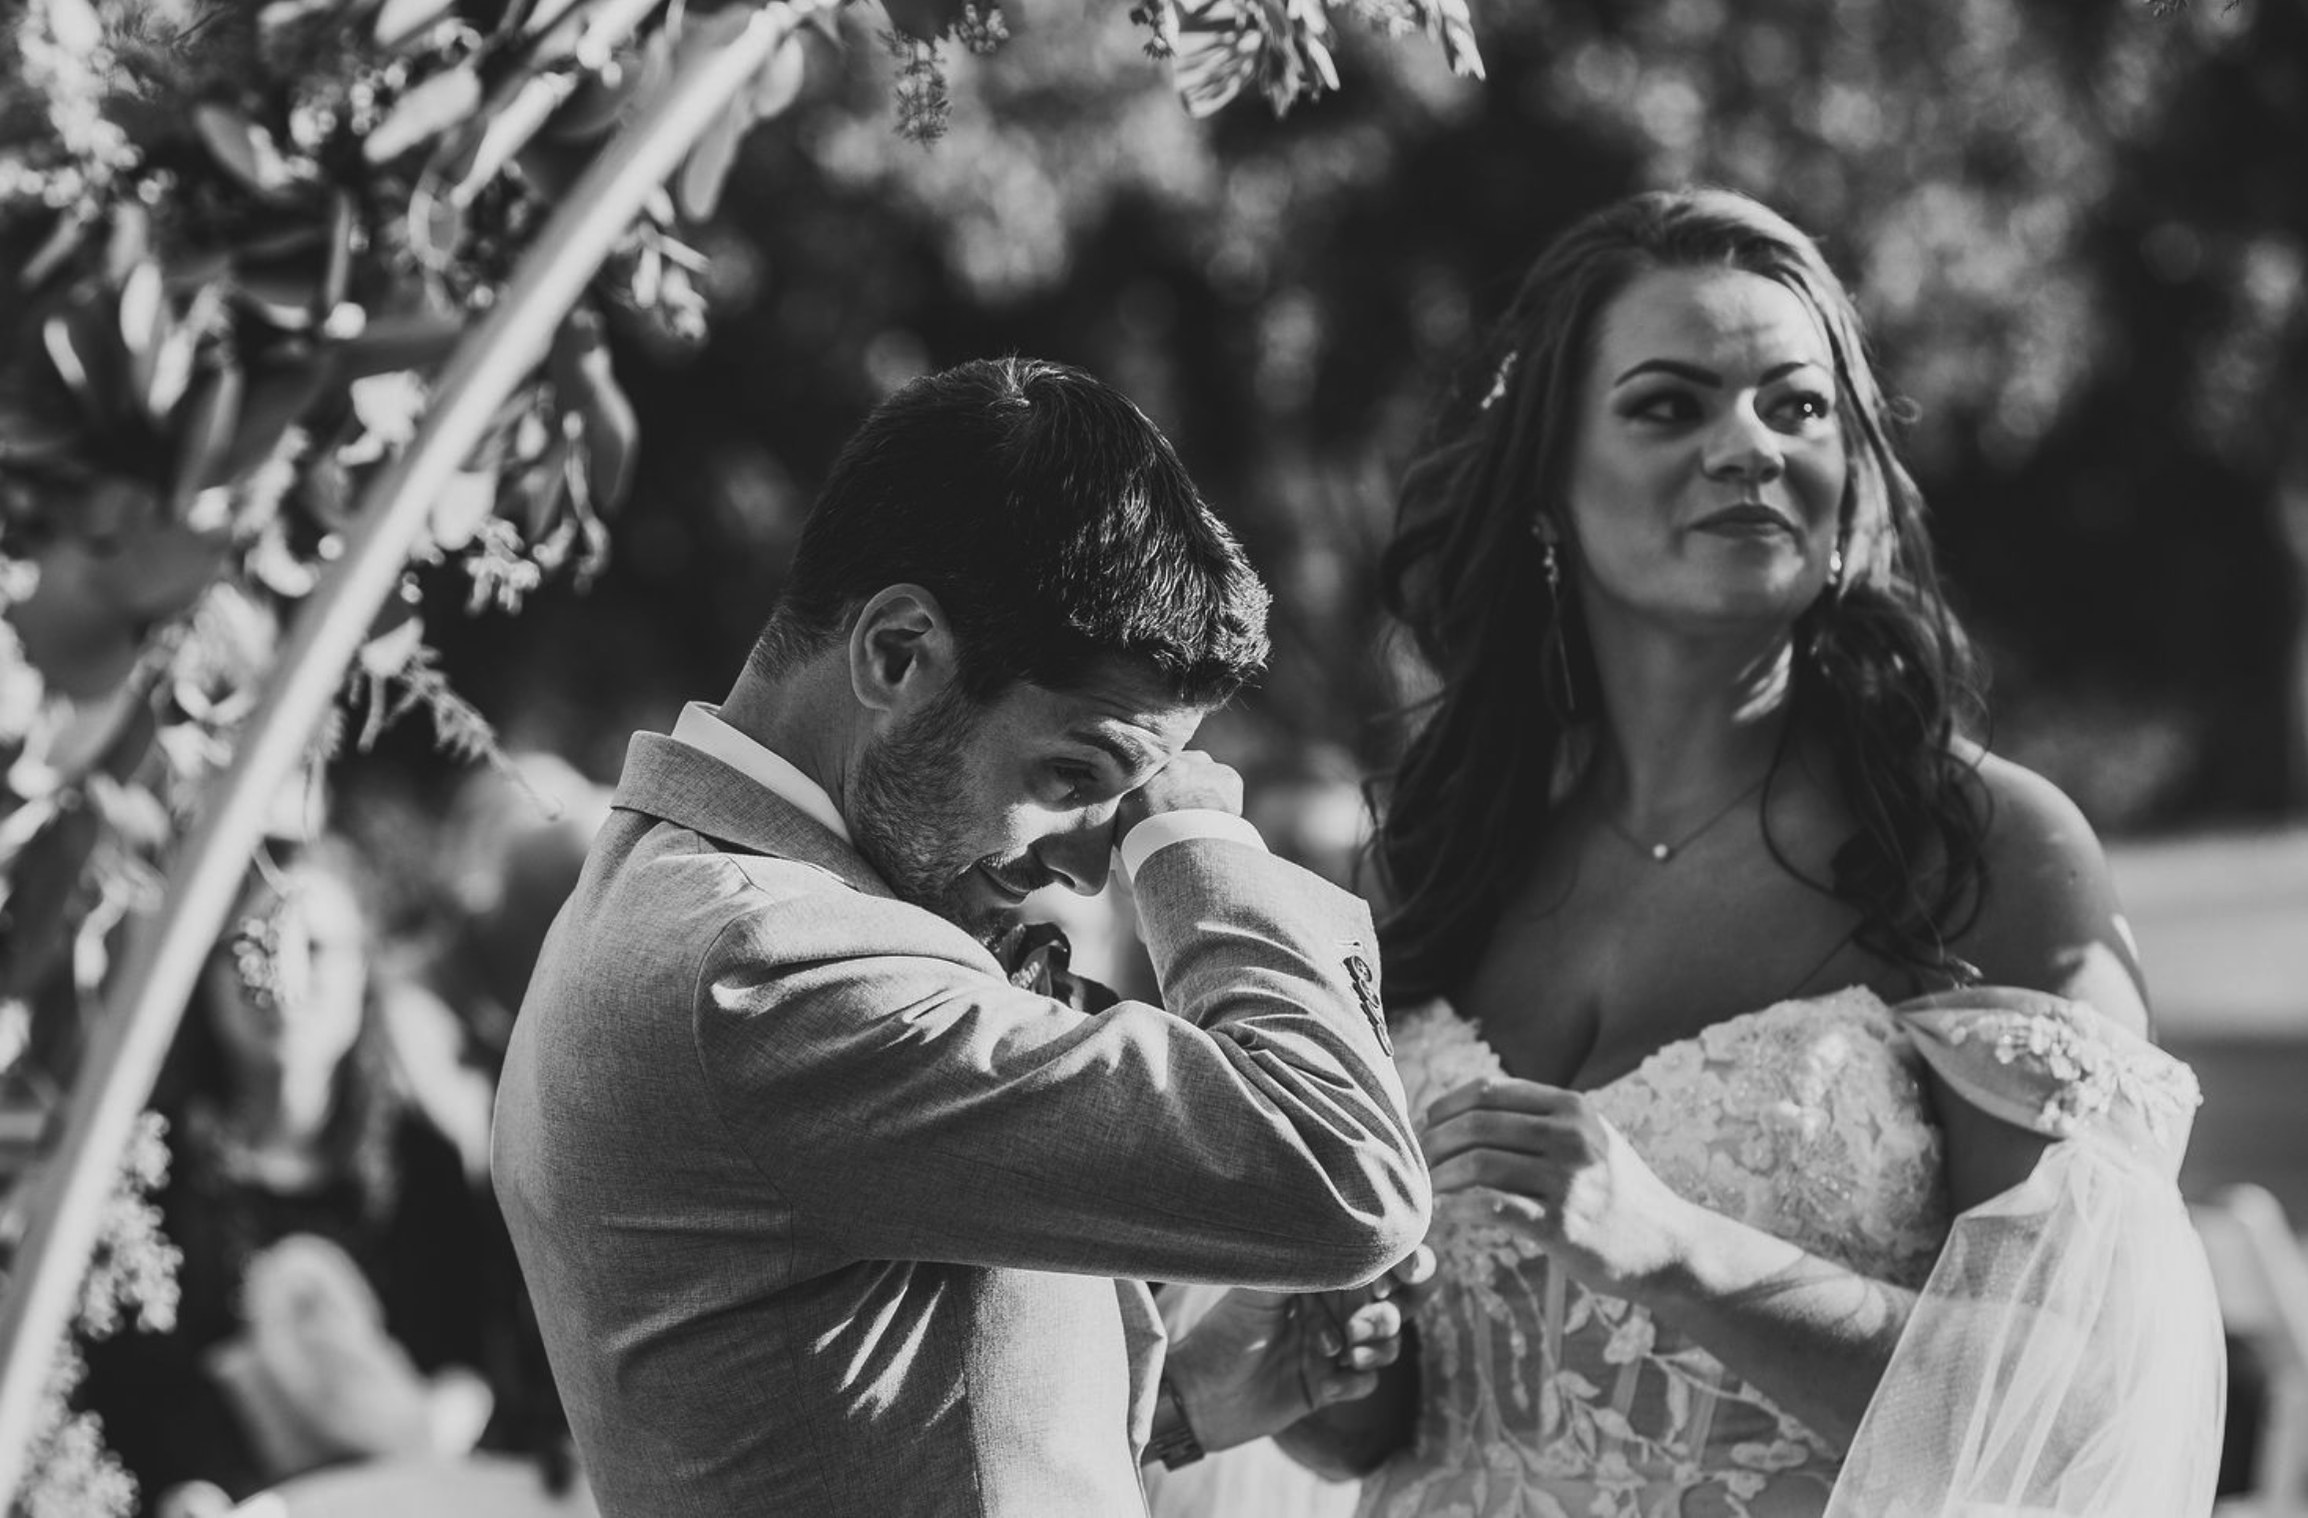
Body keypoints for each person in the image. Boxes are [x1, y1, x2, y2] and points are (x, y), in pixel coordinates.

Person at [1267, 188, 2224, 1516]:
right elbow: (1372, 1433)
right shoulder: (1436, 863)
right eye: (1669, 406)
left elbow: (2073, 1408)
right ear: (1547, 484)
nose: (1747, 447)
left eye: (1797, 406)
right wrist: (1327, 1356)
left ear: (1849, 477)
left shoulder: (1981, 851)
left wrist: (1680, 1253)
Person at [490, 357, 1435, 1518]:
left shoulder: (672, 897)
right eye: (1075, 776)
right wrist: (1196, 840)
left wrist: (1185, 1403)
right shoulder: (765, 964)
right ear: (897, 651)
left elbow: (842, 1432)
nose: (1086, 867)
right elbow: (1344, 1173)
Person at [79, 845, 507, 1515]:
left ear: (364, 969)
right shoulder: (150, 1169)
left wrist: (422, 1445)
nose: (283, 975)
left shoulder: (422, 1163)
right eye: (250, 946)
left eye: (316, 947)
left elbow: (466, 1361)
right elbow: (137, 1390)